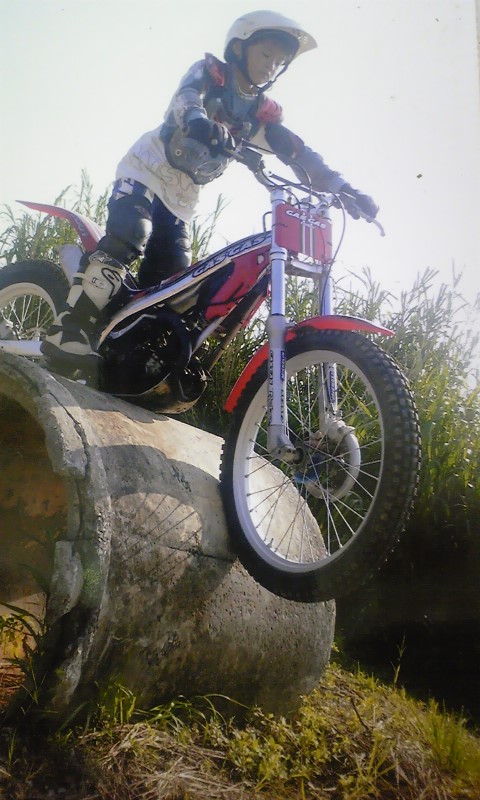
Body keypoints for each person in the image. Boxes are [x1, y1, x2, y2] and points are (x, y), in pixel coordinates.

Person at [41, 9, 378, 368]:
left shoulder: (260, 114)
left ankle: (125, 356)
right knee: (130, 231)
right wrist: (198, 119)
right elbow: (188, 96)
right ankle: (69, 327)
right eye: (265, 54)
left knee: (171, 283)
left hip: (183, 197)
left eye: (279, 62)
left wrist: (343, 187)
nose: (271, 66)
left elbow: (297, 152)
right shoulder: (212, 75)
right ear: (239, 48)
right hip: (147, 169)